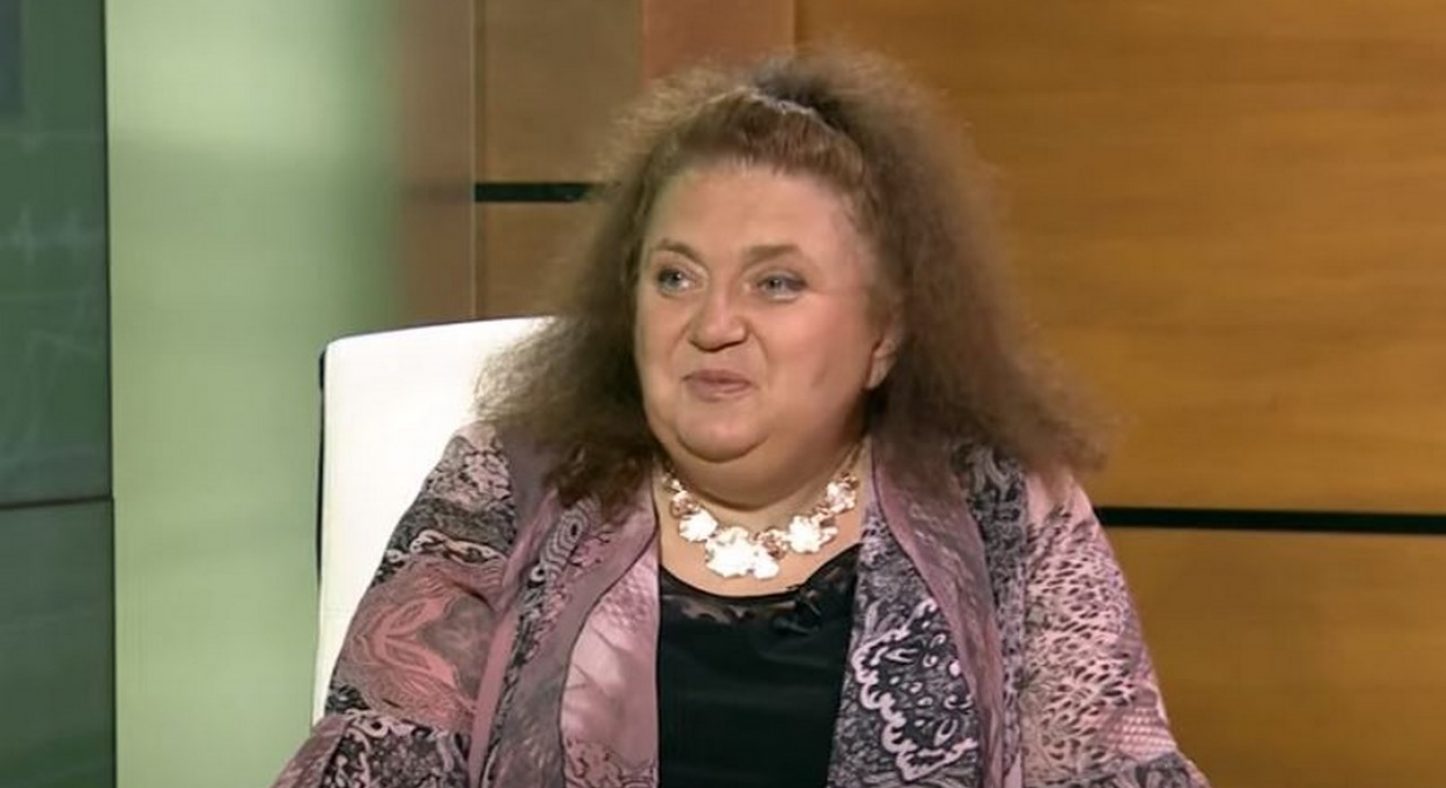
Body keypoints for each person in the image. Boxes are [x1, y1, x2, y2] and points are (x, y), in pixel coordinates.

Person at [274, 51, 1209, 788]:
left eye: (777, 283)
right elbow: (374, 757)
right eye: (675, 277)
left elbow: (1111, 769)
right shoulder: (504, 486)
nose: (713, 325)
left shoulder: (1002, 506)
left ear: (884, 335)